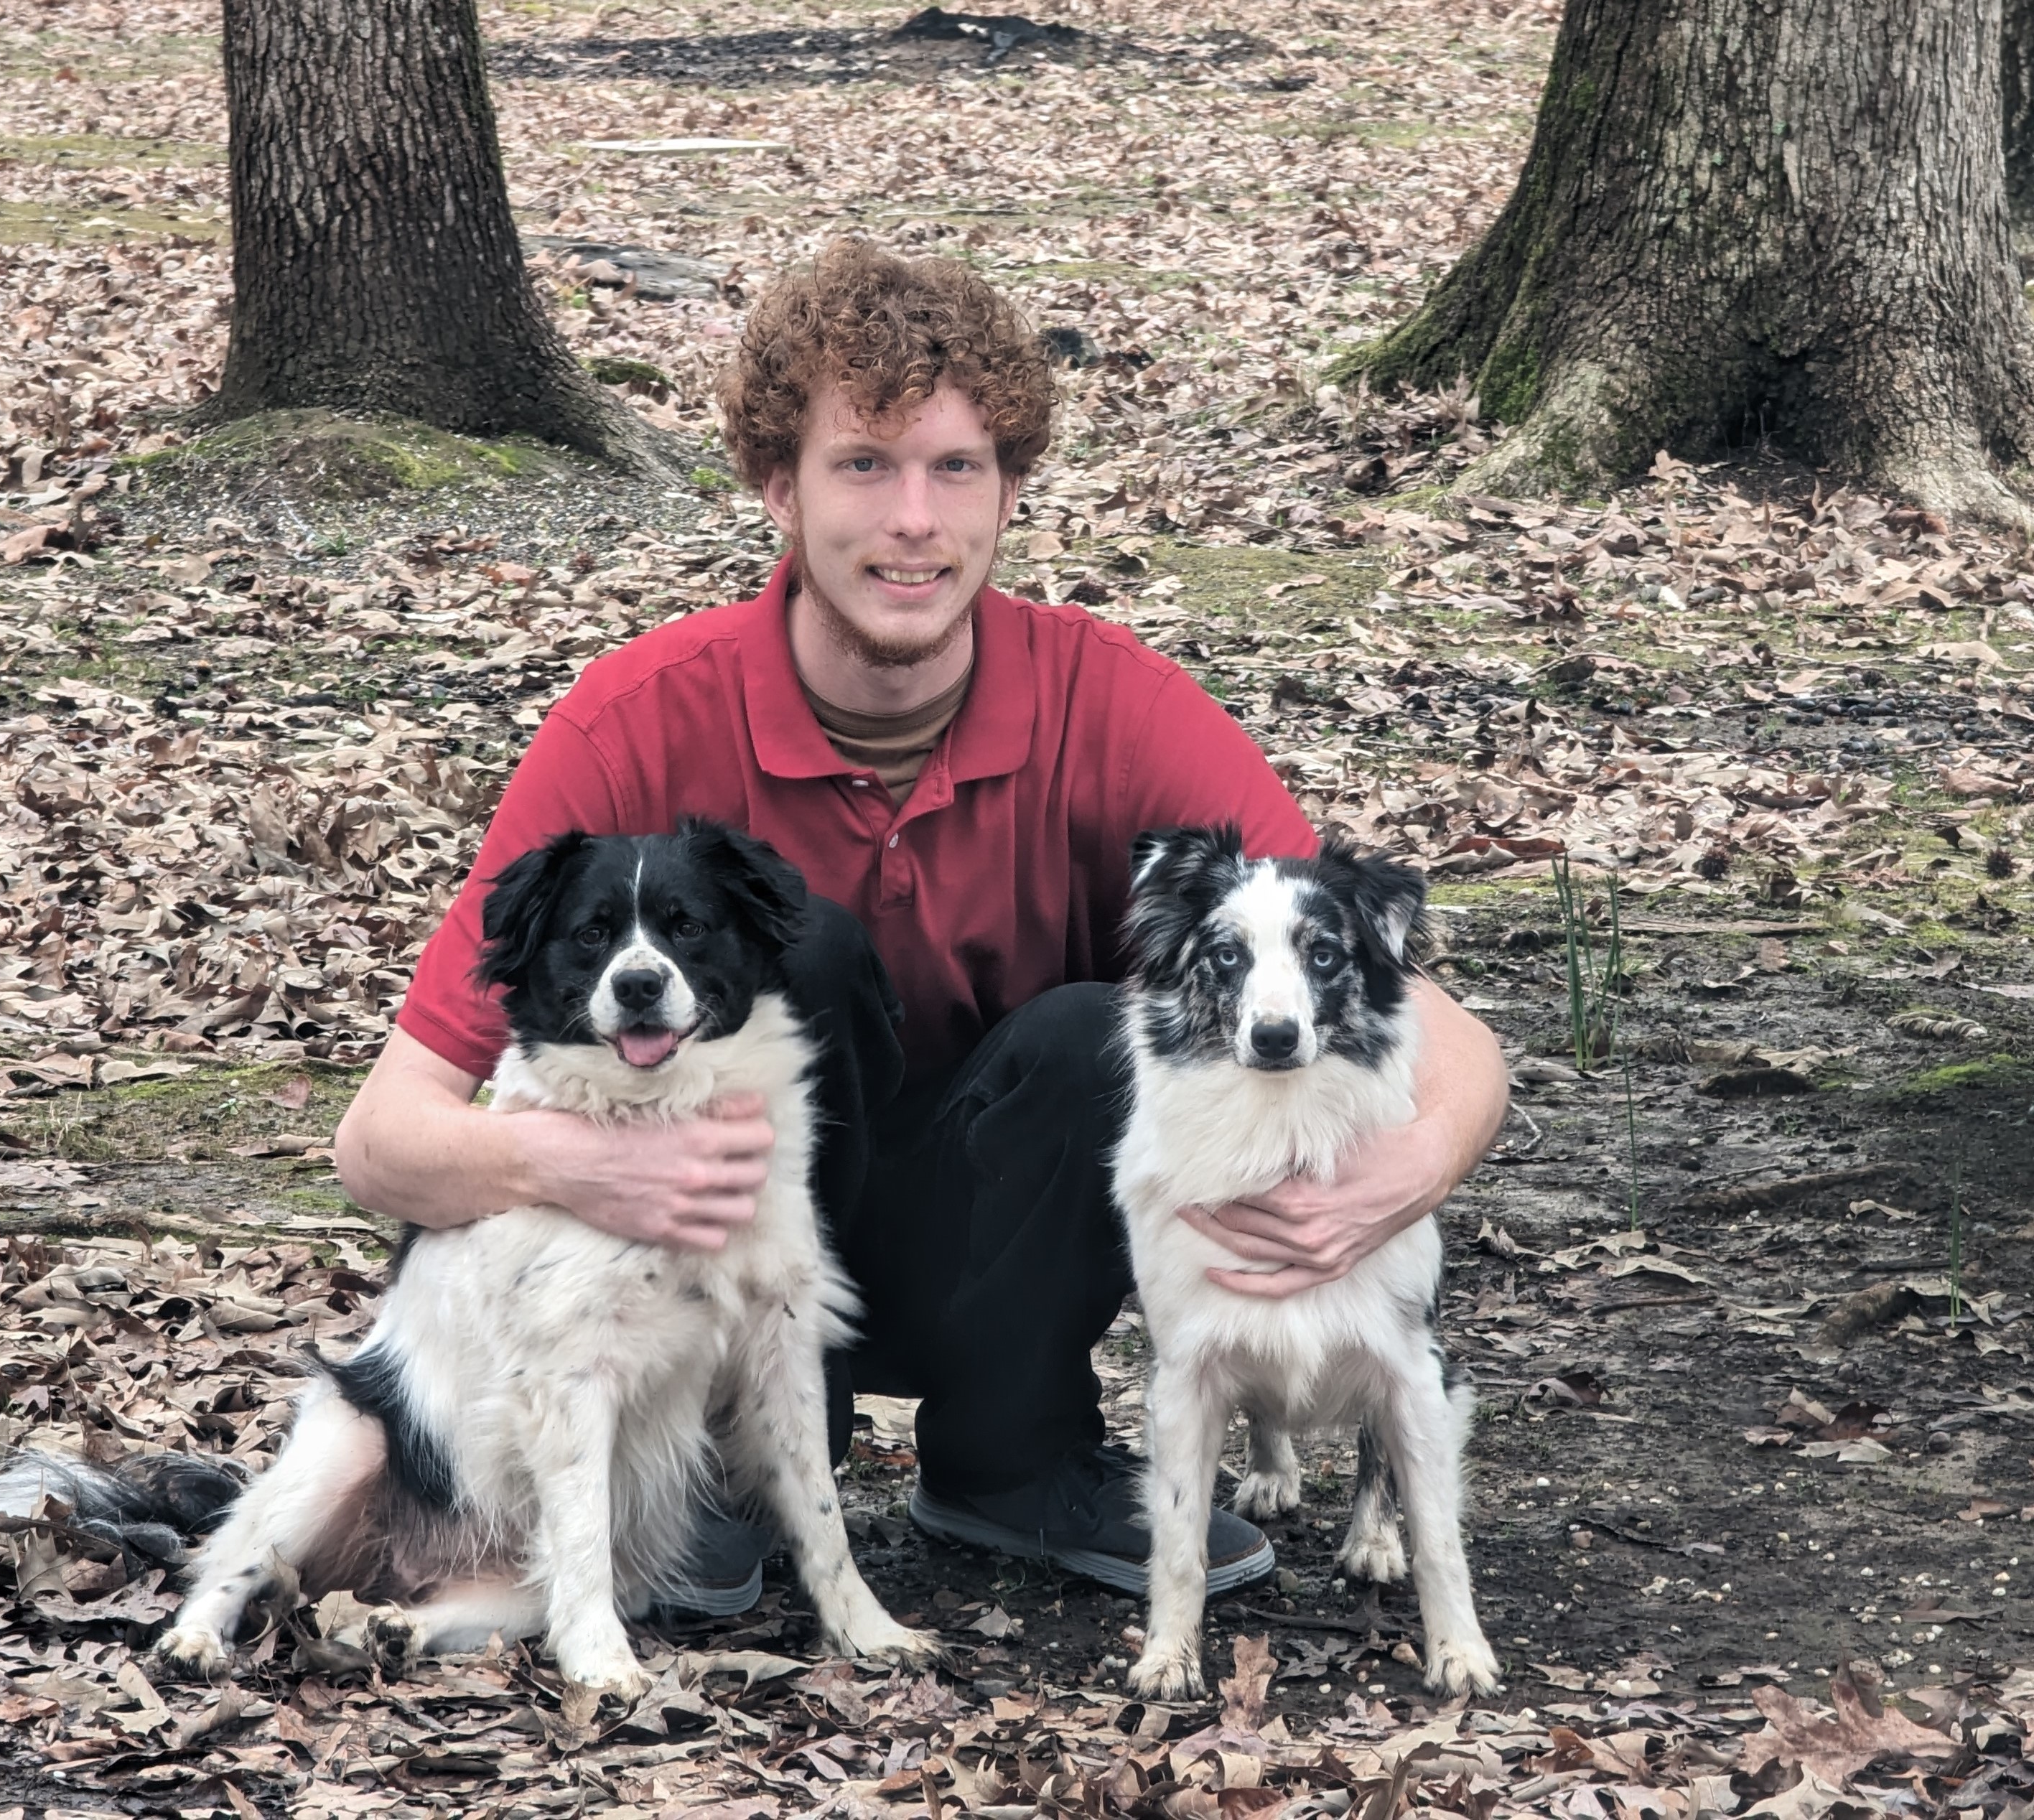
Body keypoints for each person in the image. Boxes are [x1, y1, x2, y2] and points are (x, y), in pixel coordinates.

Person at [332, 239, 1511, 1613]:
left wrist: (1406, 1168)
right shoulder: (635, 724)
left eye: (956, 469)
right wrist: (565, 1165)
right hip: (728, 1253)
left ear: (1010, 489)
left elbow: (1424, 1019)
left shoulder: (1111, 701)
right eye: (864, 465)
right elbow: (382, 1140)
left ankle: (1014, 1458)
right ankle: (736, 1480)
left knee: (1098, 1036)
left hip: (1005, 1230)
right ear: (778, 484)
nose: (914, 520)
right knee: (801, 953)